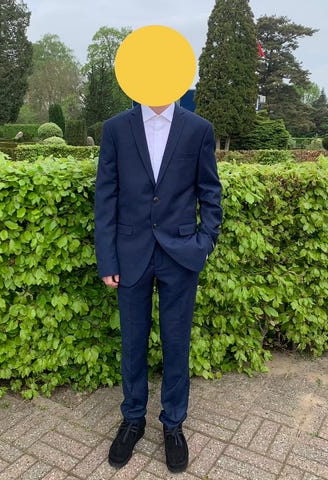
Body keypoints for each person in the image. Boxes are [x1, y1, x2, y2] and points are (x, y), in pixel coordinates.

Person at [94, 100, 222, 473]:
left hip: (180, 255)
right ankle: (133, 419)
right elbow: (106, 196)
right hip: (130, 253)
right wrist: (108, 259)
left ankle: (173, 424)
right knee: (133, 341)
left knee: (176, 342)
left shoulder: (198, 128)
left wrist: (204, 243)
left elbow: (210, 192)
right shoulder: (115, 128)